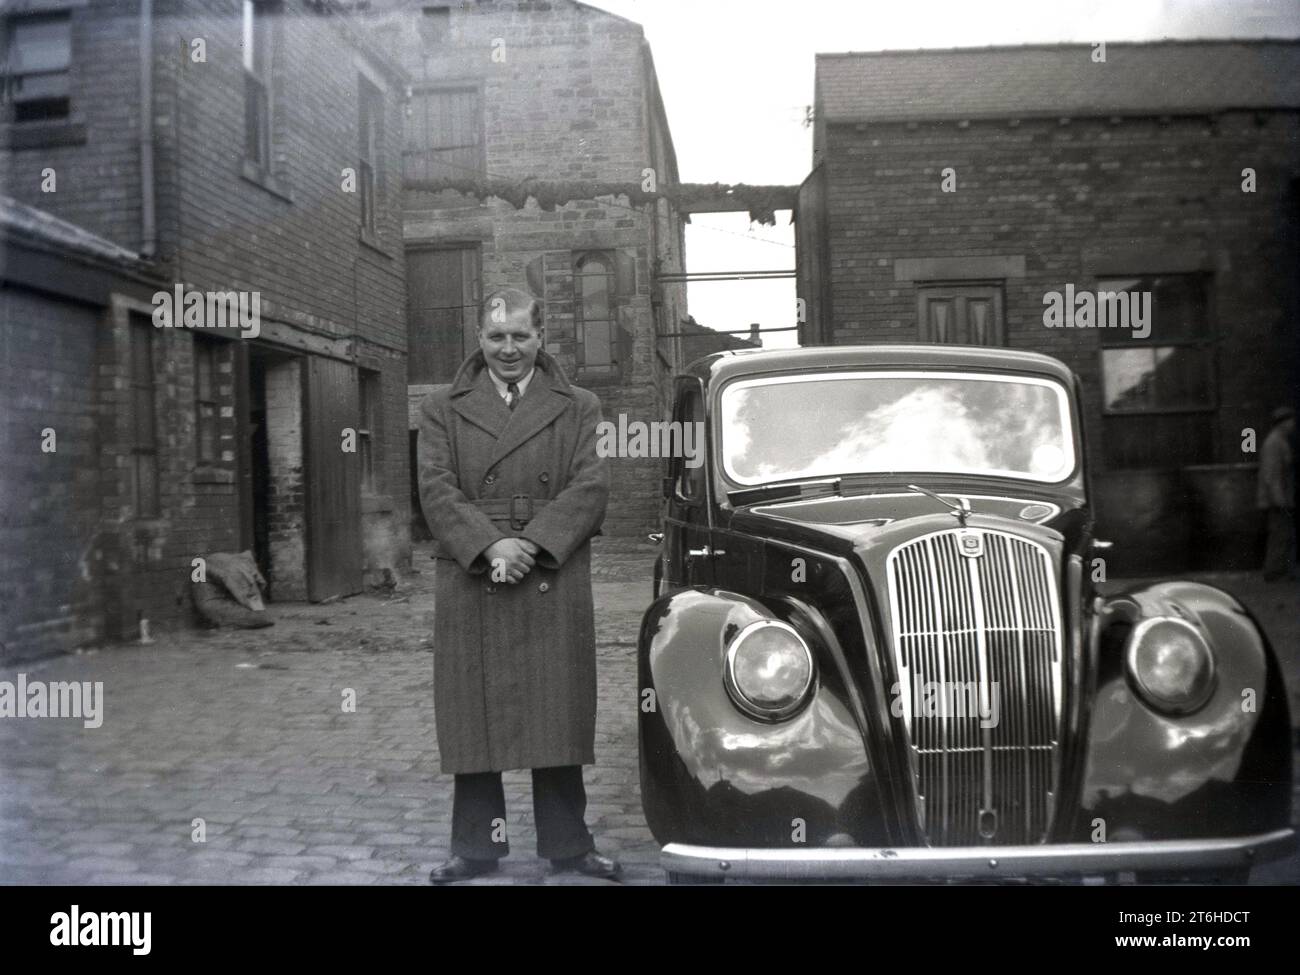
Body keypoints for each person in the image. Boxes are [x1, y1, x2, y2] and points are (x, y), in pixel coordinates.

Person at [416, 286, 620, 882]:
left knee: (555, 710)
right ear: (479, 339)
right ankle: (475, 849)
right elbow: (436, 488)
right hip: (474, 570)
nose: (509, 349)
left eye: (521, 336)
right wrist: (489, 544)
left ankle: (570, 846)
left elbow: (591, 487)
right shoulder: (441, 407)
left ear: (541, 337)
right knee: (472, 711)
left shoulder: (580, 404)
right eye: (497, 337)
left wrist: (531, 543)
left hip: (549, 570)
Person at [1258, 405, 1296, 581]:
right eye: (1290, 421)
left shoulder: (1280, 441)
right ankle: (1274, 572)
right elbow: (1271, 474)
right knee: (1279, 535)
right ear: (1282, 423)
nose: (1293, 424)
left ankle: (1281, 571)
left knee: (1283, 535)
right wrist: (1279, 499)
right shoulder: (1274, 443)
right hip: (1278, 500)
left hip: (1282, 497)